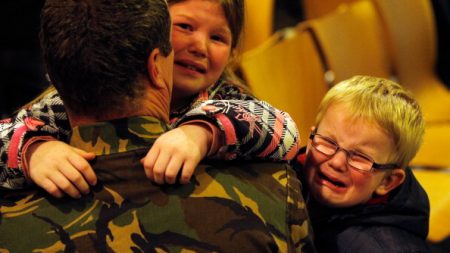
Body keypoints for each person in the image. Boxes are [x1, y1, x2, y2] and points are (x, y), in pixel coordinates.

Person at [0, 0, 315, 251]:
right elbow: (9, 130)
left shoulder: (225, 101)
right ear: (157, 39)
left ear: (232, 54)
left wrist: (202, 134)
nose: (200, 46)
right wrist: (34, 151)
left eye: (218, 37)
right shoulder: (57, 105)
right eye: (185, 27)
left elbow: (285, 130)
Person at [294, 75, 431, 252]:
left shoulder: (374, 247)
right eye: (328, 142)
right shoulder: (288, 173)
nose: (337, 162)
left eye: (360, 157)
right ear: (311, 140)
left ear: (387, 181)